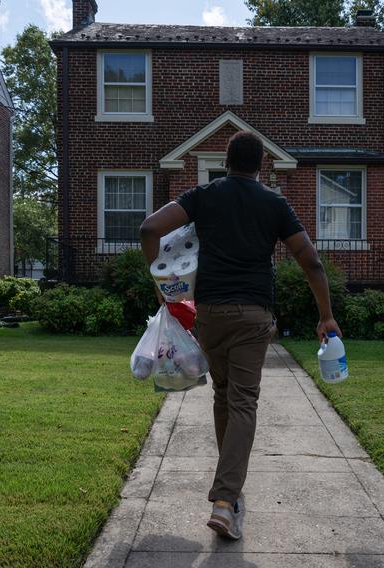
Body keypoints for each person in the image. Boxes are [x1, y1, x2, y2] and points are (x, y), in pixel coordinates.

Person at [139, 131, 341, 540]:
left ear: (227, 161)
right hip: (253, 316)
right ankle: (226, 500)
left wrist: (161, 282)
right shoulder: (274, 204)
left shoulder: (204, 194)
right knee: (243, 402)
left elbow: (149, 229)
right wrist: (326, 316)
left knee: (223, 396)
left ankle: (229, 492)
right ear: (261, 164)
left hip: (210, 314)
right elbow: (312, 262)